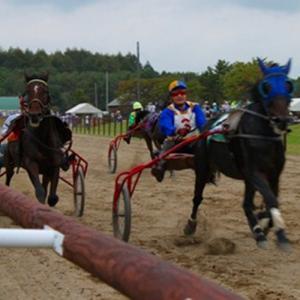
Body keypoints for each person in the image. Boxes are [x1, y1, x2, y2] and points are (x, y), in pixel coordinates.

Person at [151, 80, 207, 182]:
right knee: (167, 145)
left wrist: (204, 130)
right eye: (175, 94)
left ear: (186, 94)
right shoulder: (167, 111)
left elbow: (202, 122)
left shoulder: (195, 107)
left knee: (206, 146)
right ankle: (160, 167)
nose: (179, 96)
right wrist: (175, 131)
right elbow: (165, 125)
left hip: (193, 141)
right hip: (175, 142)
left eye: (182, 93)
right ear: (171, 96)